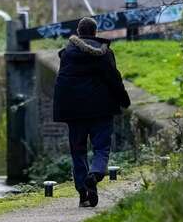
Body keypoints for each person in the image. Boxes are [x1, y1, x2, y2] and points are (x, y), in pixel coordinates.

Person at [53, 17, 130, 207]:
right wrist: (123, 99)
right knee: (101, 147)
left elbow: (62, 82)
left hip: (75, 112)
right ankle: (95, 174)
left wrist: (61, 109)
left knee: (78, 151)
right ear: (95, 32)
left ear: (79, 32)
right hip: (101, 109)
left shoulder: (67, 54)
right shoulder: (105, 53)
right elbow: (114, 79)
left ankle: (84, 193)